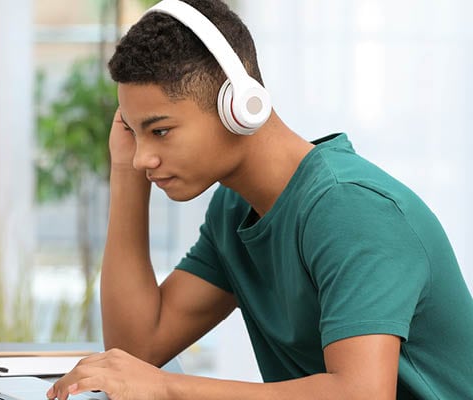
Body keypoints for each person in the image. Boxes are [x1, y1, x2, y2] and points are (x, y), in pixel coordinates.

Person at [46, 0, 473, 399]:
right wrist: (125, 175)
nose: (144, 157)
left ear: (240, 106)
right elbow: (136, 348)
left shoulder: (351, 208)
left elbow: (360, 393)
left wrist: (168, 387)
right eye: (134, 132)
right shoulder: (234, 209)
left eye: (159, 131)